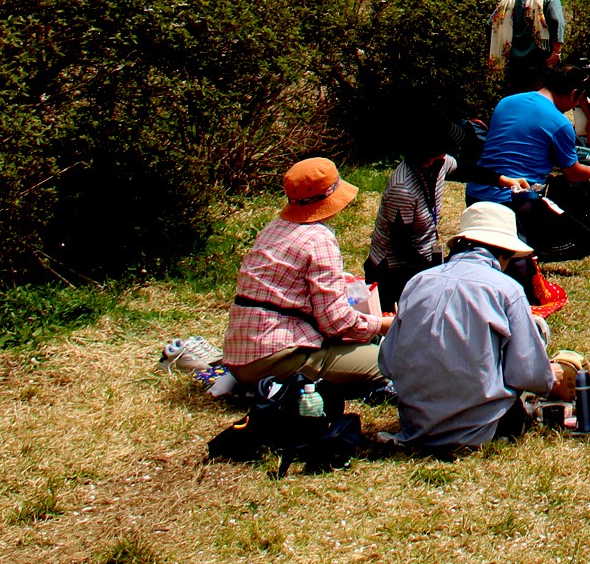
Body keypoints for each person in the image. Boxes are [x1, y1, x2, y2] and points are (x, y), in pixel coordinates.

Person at [379, 203, 553, 451]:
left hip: (416, 425)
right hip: (480, 428)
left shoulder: (418, 282)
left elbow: (388, 361)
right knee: (537, 329)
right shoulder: (506, 289)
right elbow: (528, 373)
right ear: (503, 253)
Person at [223, 158, 391, 394]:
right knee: (389, 360)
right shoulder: (319, 239)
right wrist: (383, 325)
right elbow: (336, 322)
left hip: (240, 355)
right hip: (276, 359)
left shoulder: (273, 228)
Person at [465, 65, 590, 256]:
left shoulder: (506, 103)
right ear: (573, 94)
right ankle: (529, 250)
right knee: (584, 242)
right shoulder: (559, 123)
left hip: (476, 194)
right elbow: (574, 174)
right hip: (514, 202)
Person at [365, 124, 458, 308]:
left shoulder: (441, 162)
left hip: (423, 255)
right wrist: (434, 272)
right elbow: (401, 246)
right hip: (393, 269)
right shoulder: (402, 189)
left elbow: (464, 170)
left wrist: (500, 179)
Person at [487, 0, 565, 93]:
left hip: (514, 63)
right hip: (540, 62)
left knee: (516, 100)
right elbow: (556, 22)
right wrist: (556, 52)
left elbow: (491, 24)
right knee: (537, 100)